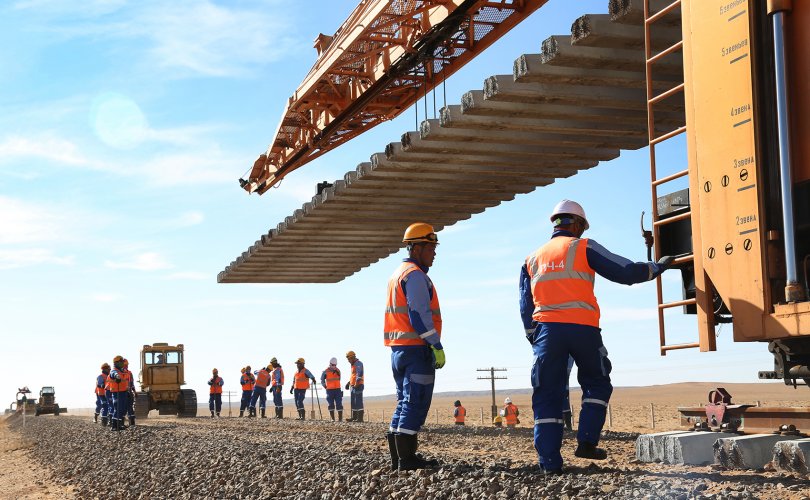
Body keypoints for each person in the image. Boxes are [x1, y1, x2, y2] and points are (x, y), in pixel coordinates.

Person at [519, 199, 673, 475]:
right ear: (577, 224)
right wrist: (656, 268)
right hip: (583, 330)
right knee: (597, 383)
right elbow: (624, 272)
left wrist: (534, 336)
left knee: (546, 395)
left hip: (547, 332)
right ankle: (587, 442)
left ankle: (550, 464)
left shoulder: (531, 258)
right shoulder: (583, 246)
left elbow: (524, 304)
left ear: (555, 224)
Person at [384, 223, 446, 471]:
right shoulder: (415, 276)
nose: (434, 252)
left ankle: (399, 458)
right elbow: (419, 314)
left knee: (404, 401)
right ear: (417, 247)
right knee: (415, 401)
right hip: (415, 347)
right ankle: (407, 460)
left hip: (399, 349)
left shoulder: (398, 272)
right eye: (431, 247)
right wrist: (435, 344)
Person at [107, 355, 130, 431]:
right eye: (121, 362)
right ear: (116, 363)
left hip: (123, 392)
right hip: (117, 393)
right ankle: (114, 425)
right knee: (118, 408)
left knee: (122, 409)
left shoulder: (122, 371)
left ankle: (119, 424)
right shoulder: (114, 371)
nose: (122, 363)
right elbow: (113, 374)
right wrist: (117, 377)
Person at [344, 351, 364, 422]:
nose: (348, 361)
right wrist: (348, 383)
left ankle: (360, 418)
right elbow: (353, 376)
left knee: (358, 401)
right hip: (353, 385)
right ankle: (354, 417)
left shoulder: (358, 364)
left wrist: (357, 383)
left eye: (349, 359)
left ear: (352, 357)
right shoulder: (353, 365)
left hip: (358, 385)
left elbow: (359, 374)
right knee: (353, 402)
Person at [122, 358, 136, 427]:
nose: (126, 366)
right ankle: (132, 422)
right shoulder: (129, 373)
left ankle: (122, 423)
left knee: (125, 407)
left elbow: (132, 383)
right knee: (129, 407)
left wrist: (134, 391)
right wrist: (134, 392)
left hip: (124, 393)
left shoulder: (120, 373)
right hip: (127, 392)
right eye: (125, 365)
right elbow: (132, 384)